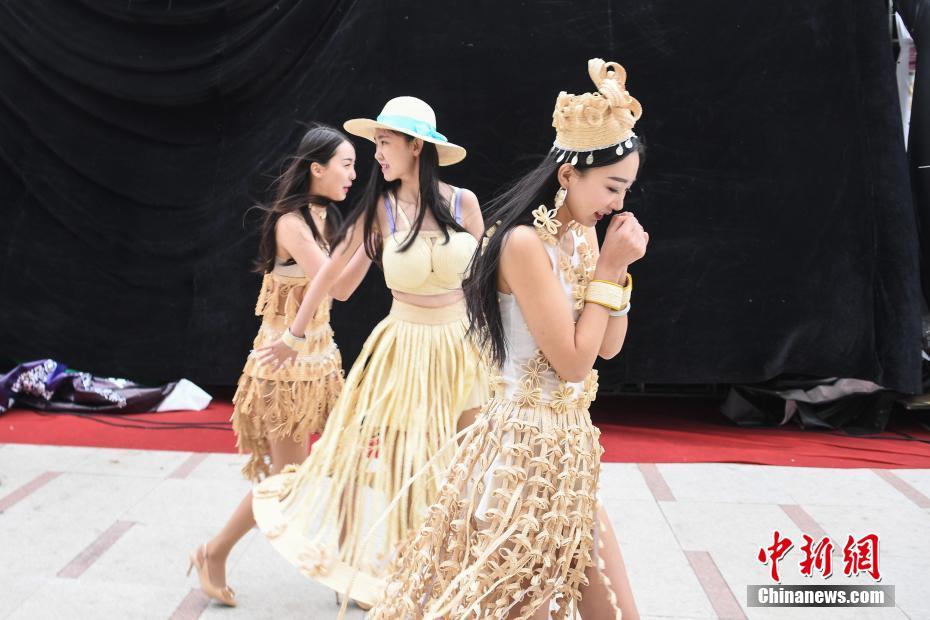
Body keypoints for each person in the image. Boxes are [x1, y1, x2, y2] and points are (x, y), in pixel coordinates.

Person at [368, 59, 647, 619]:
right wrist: (609, 271)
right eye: (612, 186)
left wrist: (616, 274)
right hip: (521, 454)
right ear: (568, 176)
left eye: (626, 189)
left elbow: (608, 347)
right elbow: (572, 363)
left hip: (571, 453)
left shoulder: (585, 239)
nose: (617, 202)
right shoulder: (522, 244)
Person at [251, 97, 488, 605]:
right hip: (404, 345)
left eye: (384, 142)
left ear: (415, 146)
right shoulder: (381, 208)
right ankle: (396, 572)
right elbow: (331, 275)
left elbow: (488, 284)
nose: (376, 154)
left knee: (466, 465)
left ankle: (456, 572)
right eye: (375, 143)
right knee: (405, 463)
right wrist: (293, 337)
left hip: (461, 347)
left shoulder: (464, 203)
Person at [187, 124, 370, 606]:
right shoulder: (292, 222)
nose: (353, 175)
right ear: (317, 168)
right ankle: (213, 551)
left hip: (321, 361)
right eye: (346, 165)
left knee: (348, 462)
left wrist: (370, 242)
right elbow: (336, 285)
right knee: (286, 482)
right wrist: (370, 240)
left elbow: (343, 289)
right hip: (283, 369)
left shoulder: (326, 217)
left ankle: (348, 571)